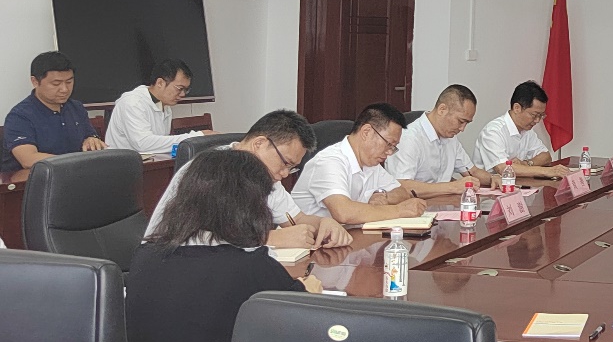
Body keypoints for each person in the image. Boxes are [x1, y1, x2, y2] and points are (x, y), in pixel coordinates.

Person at [126, 149, 322, 342]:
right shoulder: (250, 265)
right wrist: (310, 292)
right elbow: (305, 325)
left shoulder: (145, 255)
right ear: (250, 205)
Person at [147, 109, 351, 250]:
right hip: (175, 268)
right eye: (285, 163)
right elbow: (196, 239)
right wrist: (270, 239)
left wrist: (325, 223)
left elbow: (296, 220)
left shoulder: (267, 178)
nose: (285, 174)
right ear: (259, 144)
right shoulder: (211, 171)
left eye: (292, 168)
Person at [291, 103, 427, 225]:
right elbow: (344, 213)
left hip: (348, 236)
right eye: (388, 144)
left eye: (393, 147)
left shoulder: (371, 163)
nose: (389, 152)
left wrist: (383, 196)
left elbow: (401, 192)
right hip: (312, 241)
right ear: (366, 132)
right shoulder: (329, 162)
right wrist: (399, 210)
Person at [2, 51, 104, 171]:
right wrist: (75, 163)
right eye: (56, 84)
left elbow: (90, 136)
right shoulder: (20, 116)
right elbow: (28, 159)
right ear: (35, 81)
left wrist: (92, 139)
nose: (64, 89)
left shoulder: (76, 107)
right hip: (32, 180)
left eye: (69, 82)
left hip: (74, 176)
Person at [385, 84, 493, 194]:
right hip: (417, 203)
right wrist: (453, 187)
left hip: (444, 202)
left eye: (467, 123)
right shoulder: (409, 138)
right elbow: (402, 185)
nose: (462, 129)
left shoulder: (451, 138)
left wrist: (493, 179)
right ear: (442, 110)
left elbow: (472, 171)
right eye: (461, 121)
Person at [105, 59, 218, 153]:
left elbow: (160, 144)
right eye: (179, 88)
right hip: (122, 167)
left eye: (186, 90)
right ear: (160, 83)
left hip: (149, 164)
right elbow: (143, 144)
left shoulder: (164, 105)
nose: (183, 94)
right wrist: (196, 136)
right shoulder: (132, 102)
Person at [473, 80, 569, 177]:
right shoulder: (493, 131)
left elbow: (546, 156)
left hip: (516, 183)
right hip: (489, 185)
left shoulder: (527, 131)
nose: (537, 120)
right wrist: (546, 171)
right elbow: (503, 168)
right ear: (517, 108)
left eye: (541, 115)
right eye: (534, 115)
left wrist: (527, 163)